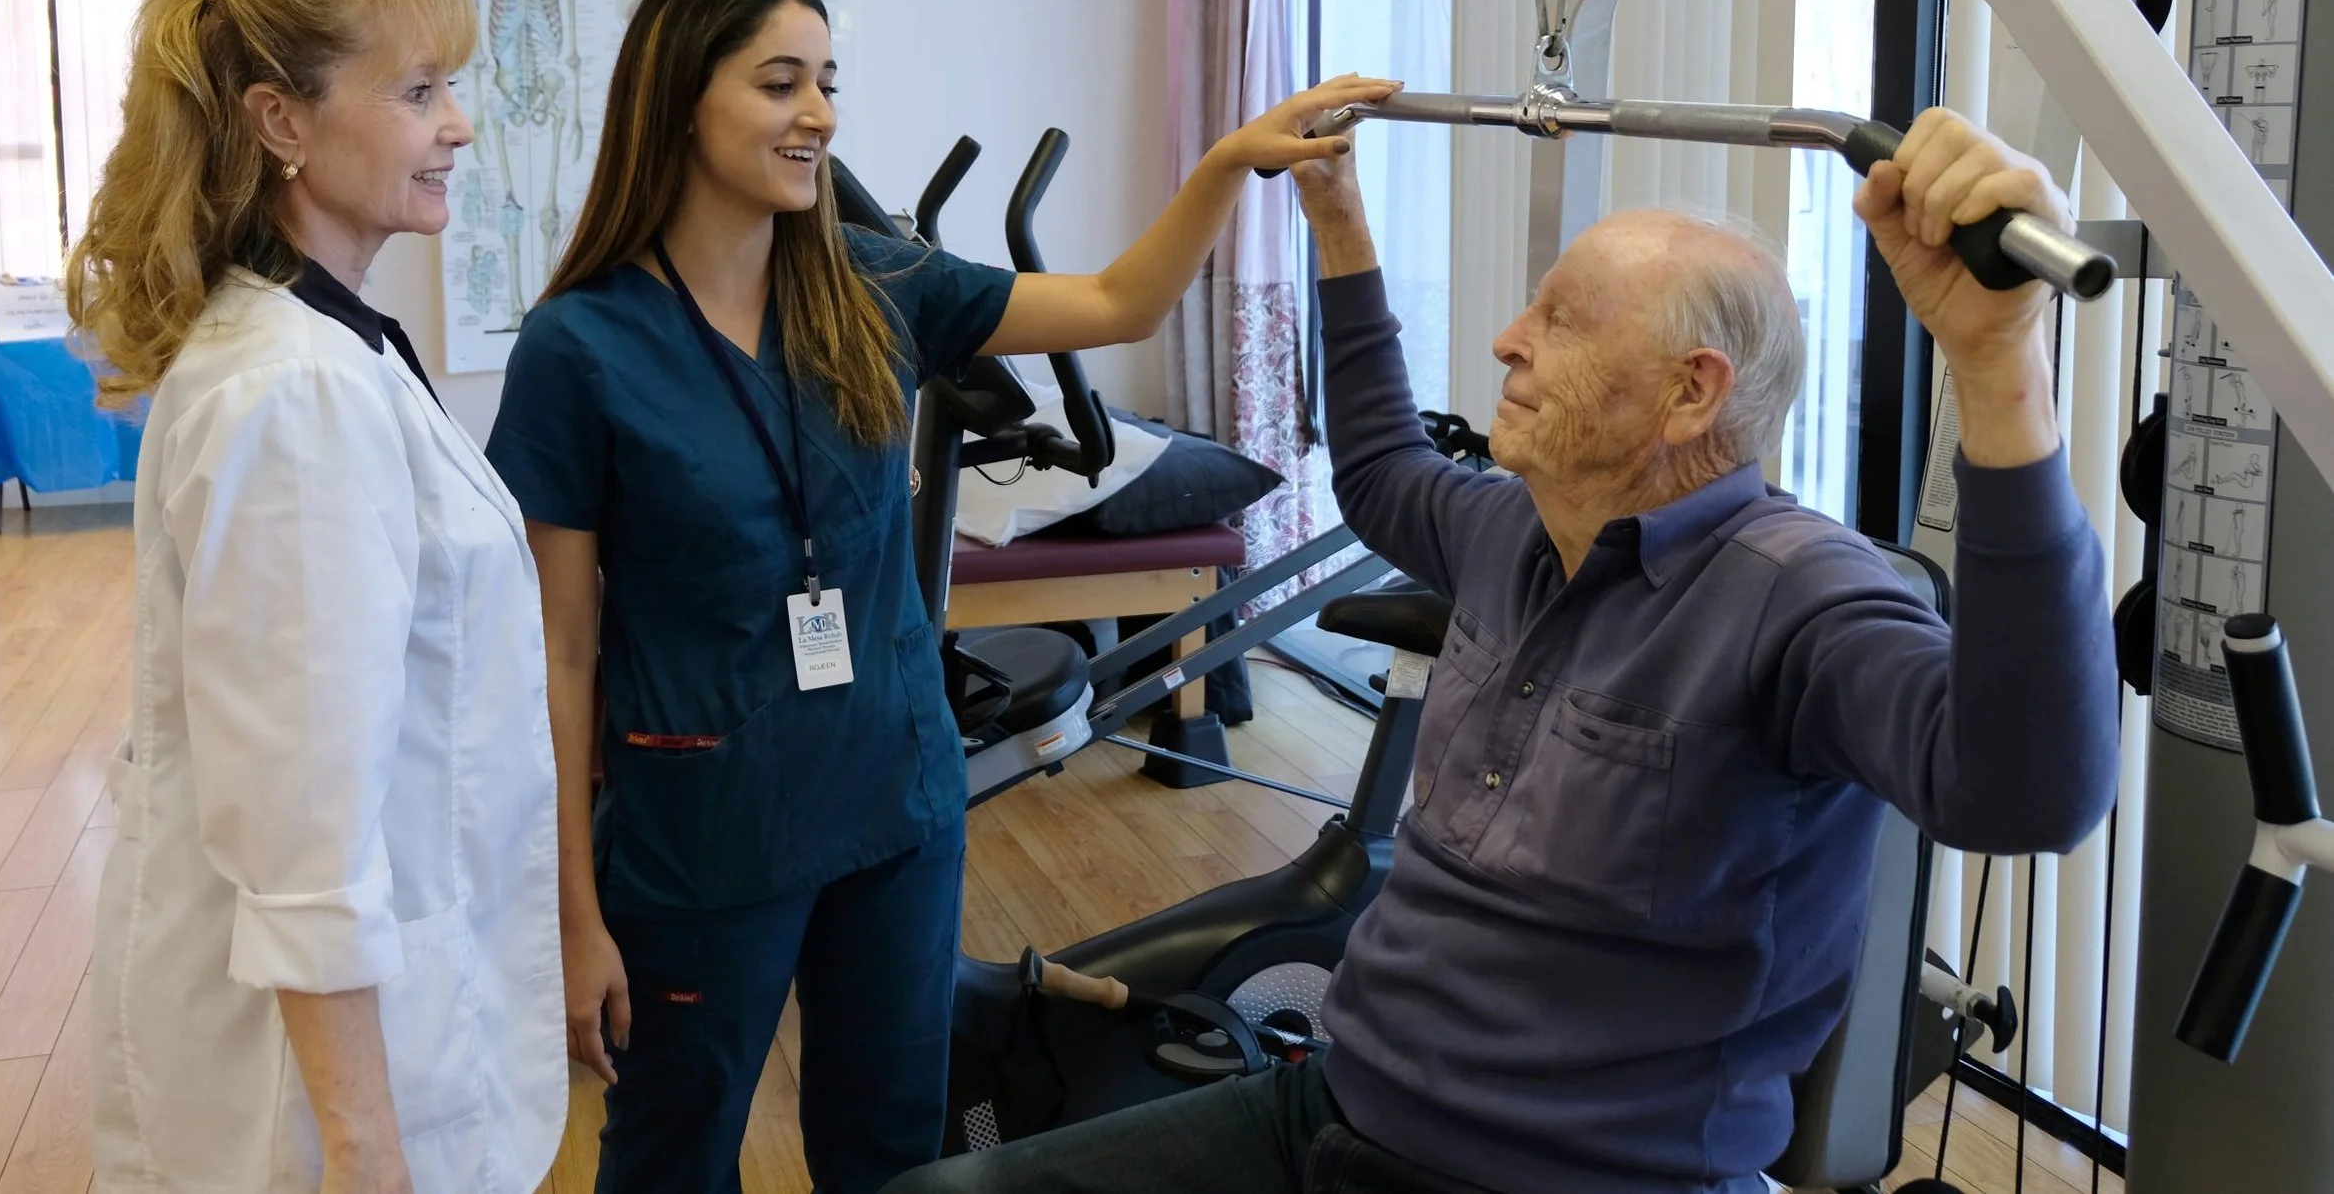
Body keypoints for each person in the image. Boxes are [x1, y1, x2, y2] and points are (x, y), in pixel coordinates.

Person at [883, 107, 2119, 1194]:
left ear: (1690, 392)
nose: (1507, 338)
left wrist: (1996, 360)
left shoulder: (1798, 594)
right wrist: (1338, 217)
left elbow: (2029, 791)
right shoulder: (1514, 528)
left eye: (1559, 319)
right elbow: (1381, 470)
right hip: (1335, 1107)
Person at [483, 0, 1389, 1194]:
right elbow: (560, 646)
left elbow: (1119, 301)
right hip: (704, 831)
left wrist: (1227, 163)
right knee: (671, 1155)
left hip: (892, 802)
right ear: (679, 99)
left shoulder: (874, 283)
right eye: (780, 83)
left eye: (827, 82)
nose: (818, 114)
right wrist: (571, 911)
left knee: (891, 1149)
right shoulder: (579, 347)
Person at [77, 0, 565, 1194]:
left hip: (391, 1003)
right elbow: (304, 822)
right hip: (323, 1090)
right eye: (418, 91)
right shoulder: (293, 390)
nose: (458, 124)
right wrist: (365, 1147)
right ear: (280, 120)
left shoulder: (329, 345)